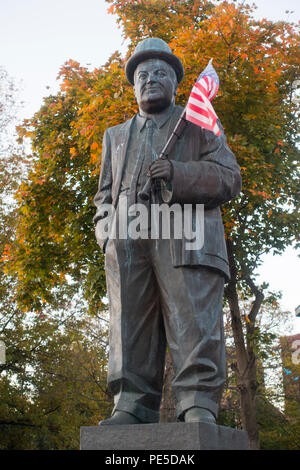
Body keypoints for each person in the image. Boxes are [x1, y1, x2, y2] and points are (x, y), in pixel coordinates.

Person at [93, 38, 242, 425]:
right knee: (128, 326)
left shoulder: (196, 123)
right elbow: (104, 195)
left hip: (185, 235)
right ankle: (131, 404)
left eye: (161, 73)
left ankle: (198, 404)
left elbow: (229, 178)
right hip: (129, 243)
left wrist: (179, 173)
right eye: (142, 75)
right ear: (133, 86)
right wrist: (106, 232)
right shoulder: (116, 135)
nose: (151, 79)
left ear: (176, 84)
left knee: (193, 321)